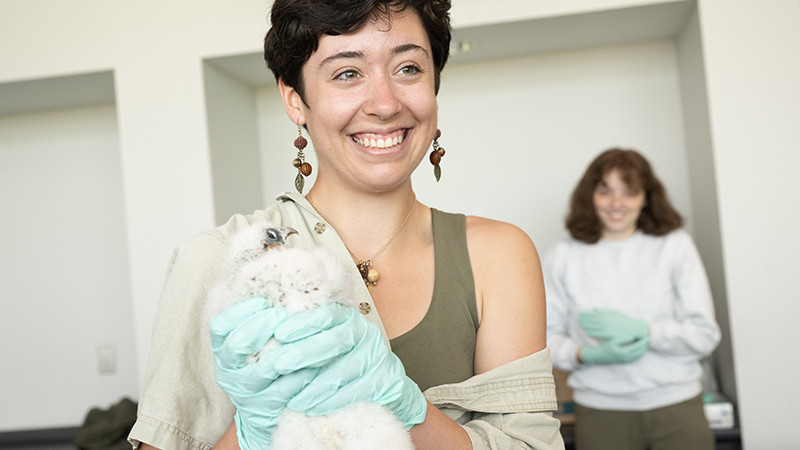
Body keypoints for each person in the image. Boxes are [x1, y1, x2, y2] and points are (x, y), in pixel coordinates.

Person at [128, 1, 564, 449]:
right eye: (347, 73)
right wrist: (255, 431)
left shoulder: (497, 256)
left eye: (409, 68)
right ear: (295, 99)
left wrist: (400, 403)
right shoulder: (222, 258)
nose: (385, 103)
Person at [544, 148, 721, 450]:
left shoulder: (674, 246)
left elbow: (705, 335)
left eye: (629, 192)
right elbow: (544, 339)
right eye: (605, 191)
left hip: (676, 405)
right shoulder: (563, 256)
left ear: (646, 197)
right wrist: (584, 353)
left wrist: (648, 331)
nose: (616, 204)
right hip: (600, 412)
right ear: (590, 195)